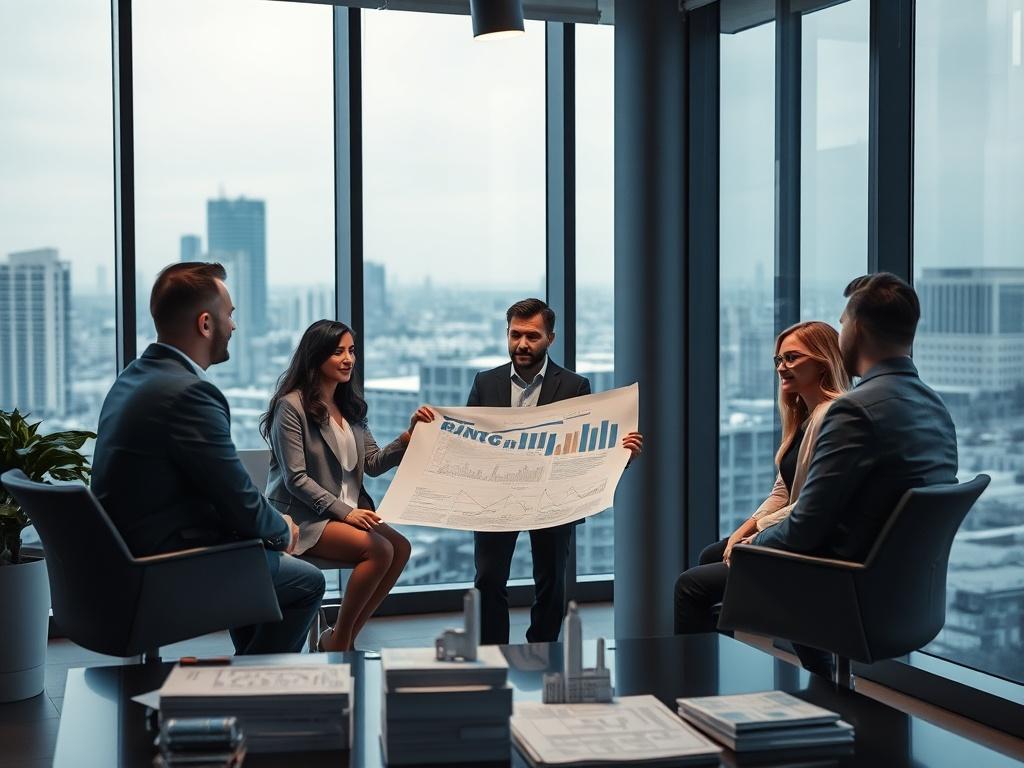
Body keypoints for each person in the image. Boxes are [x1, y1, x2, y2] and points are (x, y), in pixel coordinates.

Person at [92, 262, 325, 655]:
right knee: (307, 583)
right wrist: (283, 530)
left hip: (122, 561)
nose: (233, 326)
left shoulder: (134, 377)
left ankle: (243, 680)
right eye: (229, 315)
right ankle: (254, 687)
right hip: (162, 568)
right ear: (205, 324)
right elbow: (237, 500)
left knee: (254, 551)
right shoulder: (189, 394)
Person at [469, 298, 644, 645]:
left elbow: (588, 449)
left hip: (553, 497)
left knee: (551, 582)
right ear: (506, 334)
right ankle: (493, 652)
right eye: (515, 334)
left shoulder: (574, 386)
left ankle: (542, 650)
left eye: (532, 336)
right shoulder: (485, 383)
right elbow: (468, 438)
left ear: (550, 338)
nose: (522, 344)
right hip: (497, 495)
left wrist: (622, 456)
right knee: (488, 579)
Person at [751, 273, 958, 559]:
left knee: (693, 587)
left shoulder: (855, 411)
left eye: (842, 324)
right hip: (900, 583)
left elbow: (804, 527)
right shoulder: (935, 407)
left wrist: (753, 542)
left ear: (857, 329)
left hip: (838, 579)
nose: (840, 336)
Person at [261, 320, 435, 652]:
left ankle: (341, 636)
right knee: (379, 549)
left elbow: (372, 463)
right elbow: (295, 479)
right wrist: (346, 513)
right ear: (316, 356)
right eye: (338, 351)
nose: (348, 359)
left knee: (401, 548)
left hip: (346, 514)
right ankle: (341, 642)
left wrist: (408, 438)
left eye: (351, 351)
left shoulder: (349, 407)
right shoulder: (291, 406)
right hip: (304, 517)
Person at [674, 321, 851, 634]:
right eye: (779, 360)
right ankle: (715, 658)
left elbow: (813, 503)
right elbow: (783, 491)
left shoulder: (832, 416)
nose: (782, 367)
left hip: (810, 544)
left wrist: (755, 536)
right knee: (711, 554)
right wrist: (742, 529)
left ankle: (698, 672)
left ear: (823, 362)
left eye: (793, 358)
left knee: (691, 587)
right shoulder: (802, 416)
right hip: (789, 528)